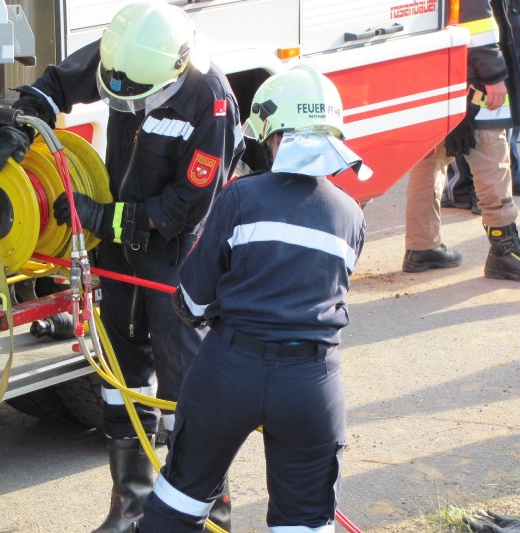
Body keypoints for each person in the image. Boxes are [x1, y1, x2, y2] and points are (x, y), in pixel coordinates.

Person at [0, 2, 244, 531]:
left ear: (176, 68)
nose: (127, 103)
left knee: (185, 387)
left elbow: (184, 209)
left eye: (138, 96)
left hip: (176, 260)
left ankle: (209, 516)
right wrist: (20, 128)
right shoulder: (129, 55)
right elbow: (57, 83)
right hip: (118, 253)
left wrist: (101, 217)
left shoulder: (210, 103)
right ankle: (130, 507)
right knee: (120, 375)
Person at [137, 63, 367, 533]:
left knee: (179, 502)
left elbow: (193, 302)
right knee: (303, 523)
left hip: (229, 372)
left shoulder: (240, 197)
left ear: (273, 135)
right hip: (311, 384)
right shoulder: (351, 215)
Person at [402, 0, 520, 283]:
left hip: (434, 71)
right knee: (492, 155)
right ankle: (504, 251)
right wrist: (493, 75)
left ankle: (422, 246)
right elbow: (478, 21)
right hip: (472, 77)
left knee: (431, 158)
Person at [441, 0, 520, 215]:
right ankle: (470, 188)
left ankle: (507, 171)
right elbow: (476, 23)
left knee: (514, 95)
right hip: (488, 23)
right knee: (480, 106)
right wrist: (492, 75)